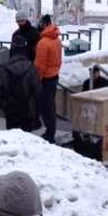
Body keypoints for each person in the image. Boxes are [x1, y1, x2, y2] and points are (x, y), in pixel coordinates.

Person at [0, 35, 40, 131]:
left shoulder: (2, 68)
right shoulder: (31, 67)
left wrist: (3, 105)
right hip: (27, 109)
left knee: (13, 138)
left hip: (10, 109)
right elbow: (37, 91)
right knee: (26, 138)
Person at [34, 14, 62, 144]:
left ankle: (49, 134)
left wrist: (36, 80)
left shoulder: (43, 43)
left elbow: (40, 65)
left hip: (45, 79)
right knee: (51, 106)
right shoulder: (56, 39)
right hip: (54, 76)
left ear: (44, 24)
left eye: (40, 23)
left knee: (46, 107)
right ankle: (51, 131)